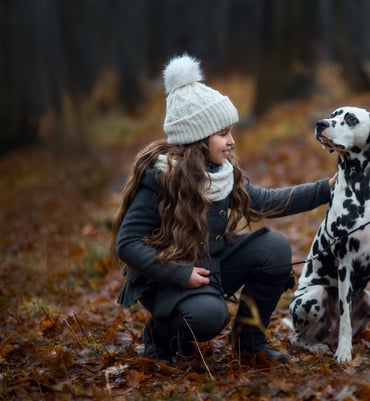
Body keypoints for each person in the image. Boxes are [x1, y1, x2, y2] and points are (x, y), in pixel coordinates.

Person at [111, 54, 332, 363]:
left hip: (211, 266)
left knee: (275, 250)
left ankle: (249, 342)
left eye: (230, 132)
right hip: (169, 279)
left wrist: (328, 189)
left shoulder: (221, 173)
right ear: (198, 138)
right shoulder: (162, 178)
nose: (231, 142)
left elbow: (266, 201)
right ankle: (160, 333)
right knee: (209, 316)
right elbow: (127, 244)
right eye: (223, 133)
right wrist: (180, 274)